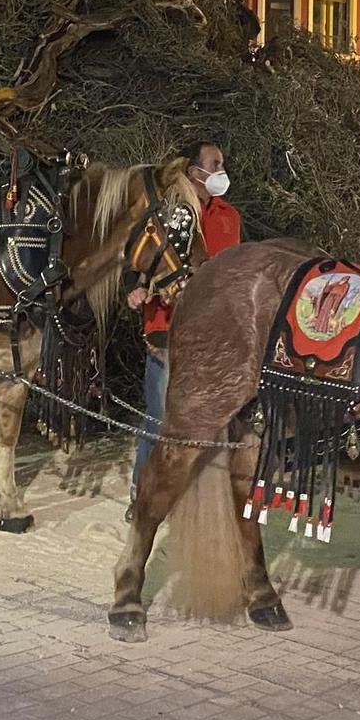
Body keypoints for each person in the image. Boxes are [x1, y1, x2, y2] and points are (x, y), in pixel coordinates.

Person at [129, 139, 242, 512]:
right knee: (160, 418)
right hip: (165, 328)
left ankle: (191, 498)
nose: (221, 170)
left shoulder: (229, 217)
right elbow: (136, 258)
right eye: (215, 163)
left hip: (212, 336)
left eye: (222, 163)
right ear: (195, 171)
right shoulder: (166, 211)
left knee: (204, 423)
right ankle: (142, 495)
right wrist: (135, 288)